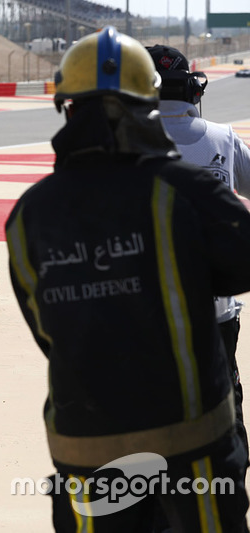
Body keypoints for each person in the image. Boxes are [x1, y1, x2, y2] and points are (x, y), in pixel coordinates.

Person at [5, 26, 250, 532]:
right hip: (193, 451)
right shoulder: (184, 190)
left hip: (86, 446)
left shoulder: (30, 214)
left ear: (67, 108)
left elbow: (47, 328)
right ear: (148, 105)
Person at [148, 43, 250, 458]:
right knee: (225, 436)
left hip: (139, 321)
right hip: (214, 317)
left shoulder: (110, 150)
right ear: (194, 91)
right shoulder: (223, 140)